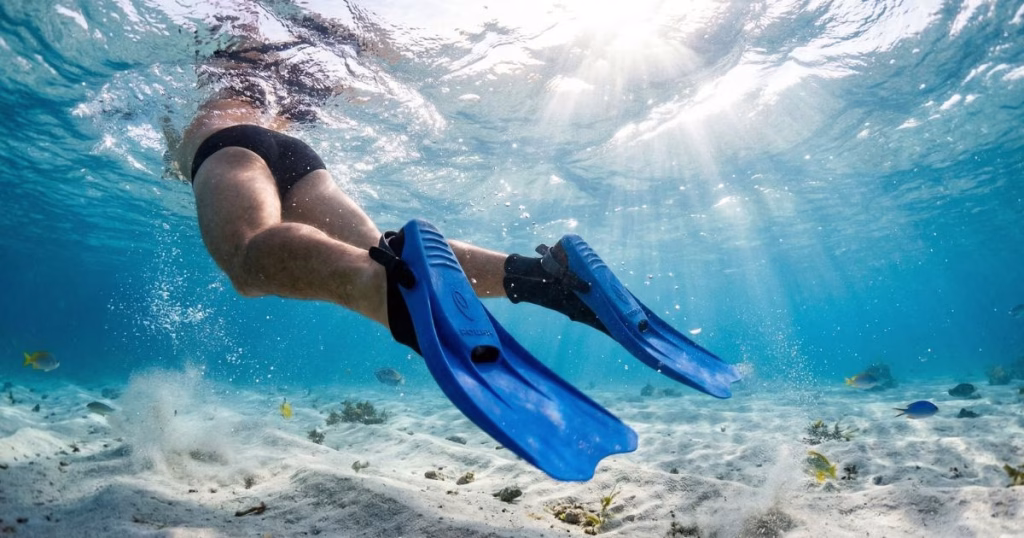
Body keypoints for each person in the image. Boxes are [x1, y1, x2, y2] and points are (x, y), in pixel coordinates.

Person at [170, 40, 739, 480]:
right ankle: (544, 278)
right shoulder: (274, 84)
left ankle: (389, 297)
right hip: (300, 157)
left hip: (232, 145)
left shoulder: (211, 89)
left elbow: (193, 135)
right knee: (388, 254)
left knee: (248, 260)